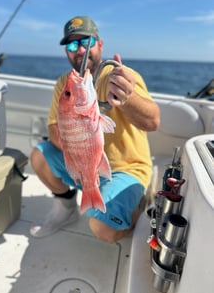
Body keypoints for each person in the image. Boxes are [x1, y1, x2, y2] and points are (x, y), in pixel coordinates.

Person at [30, 16, 160, 243]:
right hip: (84, 163)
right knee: (39, 156)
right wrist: (77, 141)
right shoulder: (66, 83)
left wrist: (126, 98)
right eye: (71, 45)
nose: (79, 50)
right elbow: (52, 129)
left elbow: (153, 122)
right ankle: (66, 207)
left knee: (102, 229)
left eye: (86, 42)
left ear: (100, 44)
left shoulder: (118, 76)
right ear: (66, 52)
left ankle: (138, 211)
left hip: (127, 168)